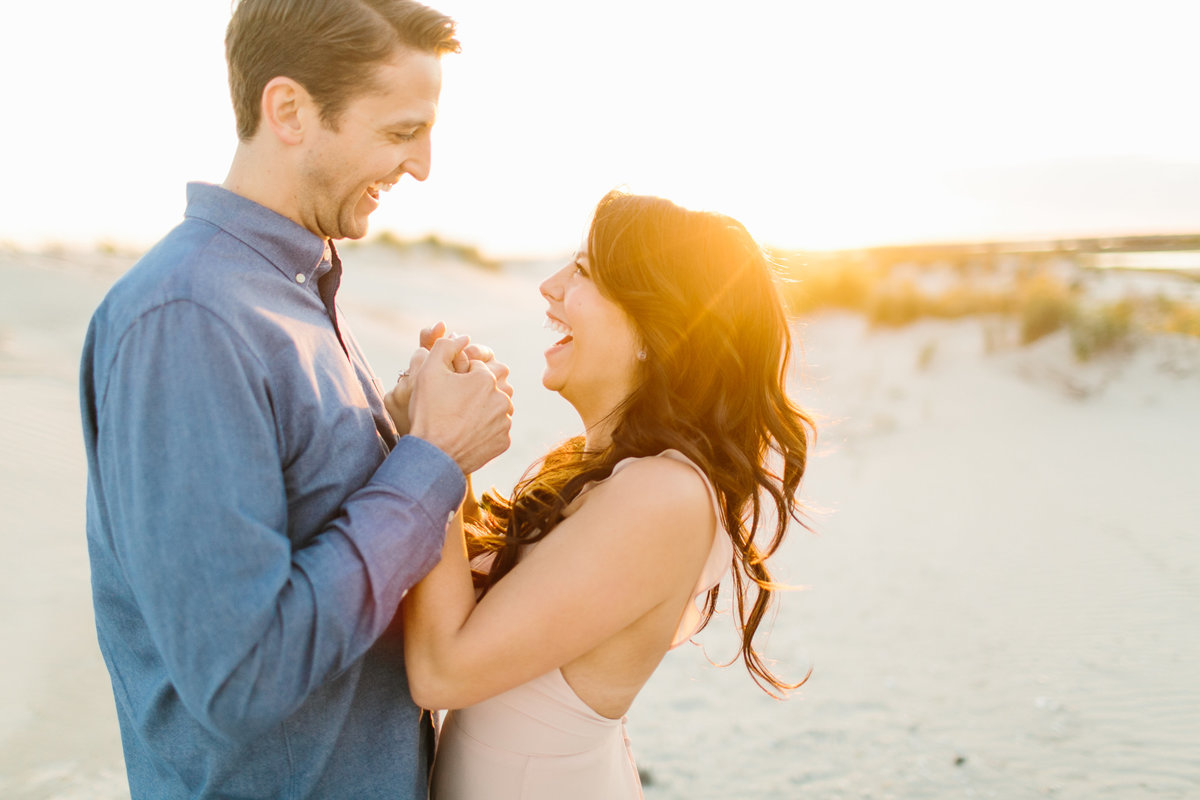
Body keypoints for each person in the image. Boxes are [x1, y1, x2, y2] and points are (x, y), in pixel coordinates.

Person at [78, 1, 513, 797]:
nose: (421, 166)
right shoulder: (190, 317)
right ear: (288, 110)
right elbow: (240, 678)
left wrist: (407, 431)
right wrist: (430, 462)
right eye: (400, 131)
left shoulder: (291, 292)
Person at [395, 190, 816, 799]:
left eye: (584, 272)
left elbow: (442, 671)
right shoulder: (601, 473)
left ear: (655, 328)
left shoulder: (665, 495)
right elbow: (464, 605)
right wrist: (441, 450)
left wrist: (435, 446)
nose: (550, 286)